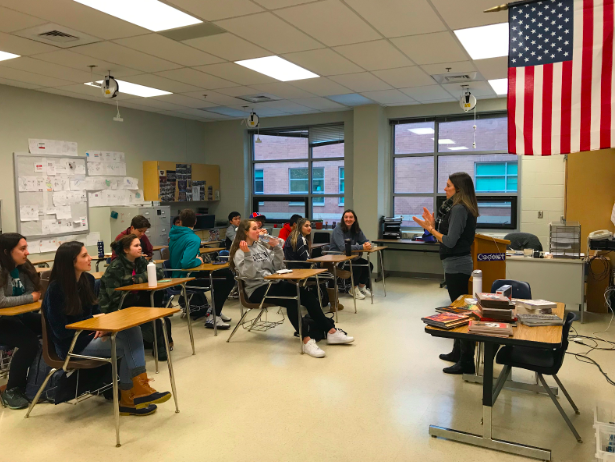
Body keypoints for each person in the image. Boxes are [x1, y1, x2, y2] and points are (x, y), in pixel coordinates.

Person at [43, 241, 171, 416]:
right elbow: (60, 332)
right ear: (71, 262)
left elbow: (97, 313)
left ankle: (137, 392)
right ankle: (132, 394)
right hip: (73, 344)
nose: (90, 258)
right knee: (129, 346)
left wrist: (103, 326)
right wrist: (93, 326)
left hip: (91, 335)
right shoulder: (55, 289)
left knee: (133, 330)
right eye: (84, 256)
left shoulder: (88, 280)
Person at [231, 219, 354, 358]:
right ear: (245, 232)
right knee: (291, 300)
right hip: (256, 289)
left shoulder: (260, 246)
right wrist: (247, 254)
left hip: (272, 283)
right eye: (254, 229)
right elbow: (250, 275)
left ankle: (331, 331)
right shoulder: (240, 252)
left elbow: (277, 267)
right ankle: (306, 340)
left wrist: (276, 247)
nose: (259, 231)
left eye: (258, 228)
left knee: (306, 294)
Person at [413, 172, 479, 375]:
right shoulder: (459, 208)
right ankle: (457, 352)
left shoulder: (459, 208)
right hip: (455, 264)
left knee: (461, 314)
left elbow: (449, 241)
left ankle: (466, 361)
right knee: (457, 311)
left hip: (458, 265)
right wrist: (433, 225)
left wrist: (431, 230)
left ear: (458, 189)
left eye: (448, 185)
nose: (445, 188)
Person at [100, 235, 172, 360]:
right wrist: (141, 279)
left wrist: (137, 279)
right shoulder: (116, 267)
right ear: (126, 250)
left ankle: (160, 345)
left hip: (135, 300)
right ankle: (160, 345)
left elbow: (159, 272)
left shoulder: (140, 261)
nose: (140, 248)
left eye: (140, 245)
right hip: (117, 305)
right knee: (156, 310)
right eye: (136, 246)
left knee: (158, 305)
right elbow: (115, 297)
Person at [169, 209, 235, 329]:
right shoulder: (193, 238)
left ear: (181, 222)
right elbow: (186, 262)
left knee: (225, 274)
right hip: (187, 278)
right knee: (228, 278)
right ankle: (214, 314)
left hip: (176, 275)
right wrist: (199, 260)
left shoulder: (174, 235)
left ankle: (215, 310)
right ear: (195, 222)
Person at [0, 233, 42, 409]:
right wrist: (29, 298)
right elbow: (1, 302)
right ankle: (11, 389)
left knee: (50, 327)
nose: (27, 253)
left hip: (18, 316)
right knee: (29, 342)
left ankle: (37, 380)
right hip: (2, 321)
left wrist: (30, 298)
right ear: (7, 252)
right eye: (22, 249)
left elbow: (35, 293)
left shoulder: (24, 267)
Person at [283, 218, 344, 313]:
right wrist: (319, 264)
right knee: (332, 275)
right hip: (303, 271)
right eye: (306, 226)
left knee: (326, 267)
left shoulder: (292, 237)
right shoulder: (301, 239)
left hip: (292, 270)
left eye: (310, 226)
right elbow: (307, 260)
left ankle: (337, 272)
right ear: (300, 227)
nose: (309, 228)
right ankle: (334, 305)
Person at [329, 210, 373, 300]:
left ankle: (361, 287)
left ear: (354, 219)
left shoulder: (356, 229)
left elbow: (364, 240)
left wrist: (368, 244)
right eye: (346, 217)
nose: (348, 219)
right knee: (356, 267)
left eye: (351, 217)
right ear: (343, 219)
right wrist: (361, 246)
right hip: (338, 258)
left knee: (369, 265)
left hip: (349, 257)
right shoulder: (338, 229)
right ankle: (353, 289)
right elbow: (343, 247)